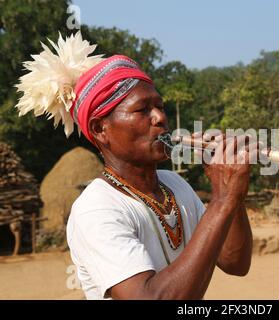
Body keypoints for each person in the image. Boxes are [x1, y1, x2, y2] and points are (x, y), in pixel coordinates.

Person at [15, 32, 254, 300]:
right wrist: (222, 200)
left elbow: (235, 262)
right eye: (142, 110)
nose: (160, 118)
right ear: (100, 129)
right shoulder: (96, 209)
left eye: (160, 106)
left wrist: (234, 196)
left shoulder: (175, 185)